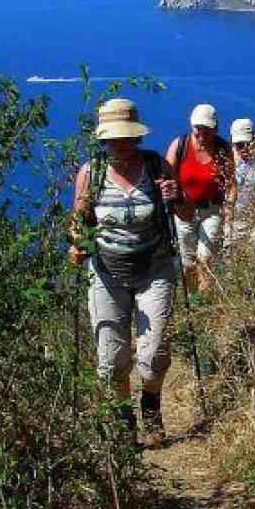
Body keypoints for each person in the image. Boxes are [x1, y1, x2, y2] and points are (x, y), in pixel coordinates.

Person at [68, 98, 193, 447]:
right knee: (112, 361)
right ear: (103, 139)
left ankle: (150, 404)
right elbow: (79, 222)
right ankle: (125, 424)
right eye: (112, 139)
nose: (118, 145)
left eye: (124, 138)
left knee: (152, 357)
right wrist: (77, 243)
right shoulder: (90, 173)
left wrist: (177, 194)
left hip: (154, 268)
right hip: (106, 273)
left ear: (136, 137)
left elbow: (185, 215)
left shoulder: (157, 167)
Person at [166, 104, 236, 292]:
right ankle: (191, 299)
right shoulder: (180, 146)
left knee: (205, 260)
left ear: (215, 129)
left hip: (212, 211)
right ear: (192, 127)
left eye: (207, 130)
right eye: (198, 129)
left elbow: (231, 184)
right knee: (187, 263)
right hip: (183, 213)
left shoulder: (223, 149)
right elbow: (166, 177)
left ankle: (205, 303)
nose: (201, 134)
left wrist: (228, 212)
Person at [228, 118, 255, 244]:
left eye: (247, 143)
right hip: (232, 222)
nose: (244, 148)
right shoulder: (225, 161)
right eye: (239, 144)